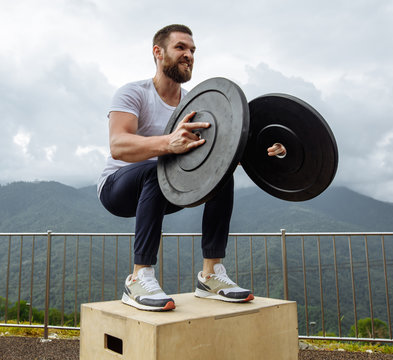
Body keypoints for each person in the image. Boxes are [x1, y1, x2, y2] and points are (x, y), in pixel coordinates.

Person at [97, 24, 286, 311]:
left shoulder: (196, 104)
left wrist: (269, 151)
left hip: (168, 188)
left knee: (222, 176)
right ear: (158, 52)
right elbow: (118, 146)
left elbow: (221, 151)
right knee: (153, 173)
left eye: (193, 50)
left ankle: (210, 276)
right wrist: (168, 144)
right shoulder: (133, 93)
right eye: (181, 48)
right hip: (118, 187)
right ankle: (139, 278)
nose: (189, 55)